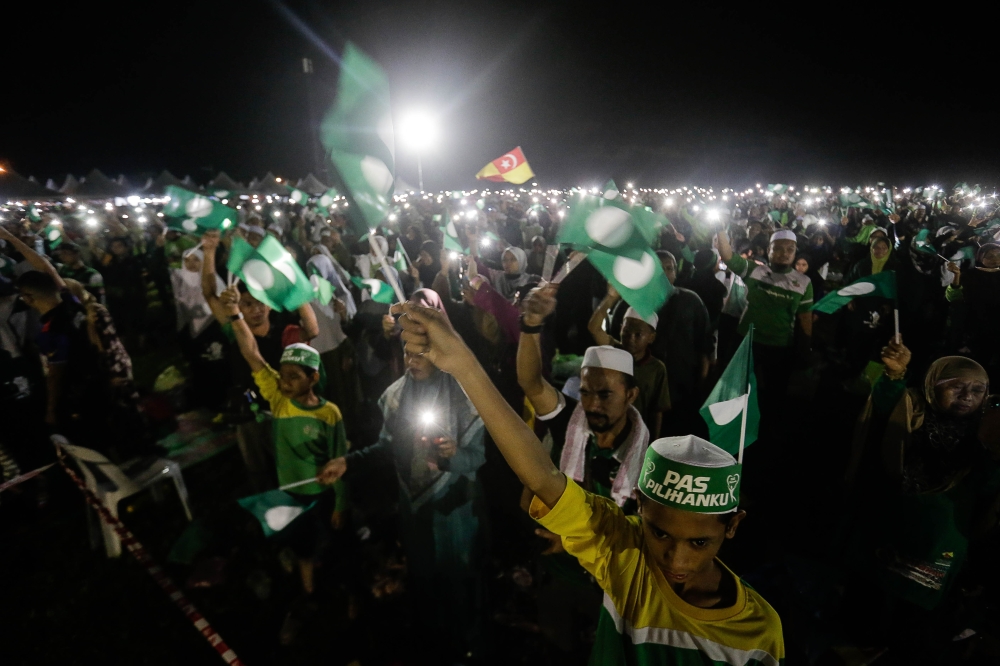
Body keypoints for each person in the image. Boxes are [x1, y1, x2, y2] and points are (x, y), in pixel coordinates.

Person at [389, 301, 784, 666]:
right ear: (641, 509)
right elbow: (542, 475)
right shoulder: (623, 552)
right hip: (562, 577)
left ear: (731, 526)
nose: (675, 561)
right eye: (659, 534)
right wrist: (464, 364)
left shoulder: (758, 632)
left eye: (699, 542)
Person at [321, 332, 487, 662]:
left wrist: (453, 455)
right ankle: (435, 644)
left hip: (456, 513)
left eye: (421, 353)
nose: (412, 362)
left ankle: (468, 647)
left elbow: (478, 457)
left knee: (460, 585)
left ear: (439, 352)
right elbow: (386, 447)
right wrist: (347, 462)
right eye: (407, 353)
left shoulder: (464, 395)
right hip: (416, 510)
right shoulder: (395, 396)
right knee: (425, 581)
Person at [843, 338, 1000, 659]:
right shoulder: (912, 409)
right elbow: (885, 408)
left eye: (977, 390)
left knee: (914, 618)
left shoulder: (987, 431)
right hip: (890, 524)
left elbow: (988, 491)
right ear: (932, 385)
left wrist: (992, 455)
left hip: (939, 543)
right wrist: (894, 375)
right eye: (955, 386)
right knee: (868, 602)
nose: (967, 396)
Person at [221, 284, 348, 639]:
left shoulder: (330, 414)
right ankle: (309, 594)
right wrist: (234, 315)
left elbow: (341, 459)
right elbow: (252, 356)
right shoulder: (278, 399)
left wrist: (342, 501)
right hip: (293, 495)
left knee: (329, 540)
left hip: (323, 496)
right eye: (283, 375)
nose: (286, 382)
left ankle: (327, 583)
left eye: (294, 376)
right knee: (304, 544)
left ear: (314, 378)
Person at [201, 230, 319, 491]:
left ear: (268, 305)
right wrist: (209, 252)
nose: (254, 309)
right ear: (239, 308)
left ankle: (297, 498)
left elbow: (311, 330)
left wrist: (294, 289)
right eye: (247, 304)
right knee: (257, 467)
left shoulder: (283, 332)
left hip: (285, 410)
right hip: (249, 411)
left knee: (290, 462)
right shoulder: (236, 331)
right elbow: (210, 294)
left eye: (259, 303)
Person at [717, 228, 813, 407]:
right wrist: (720, 227)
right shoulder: (754, 271)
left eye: (790, 249)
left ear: (795, 252)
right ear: (768, 250)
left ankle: (766, 428)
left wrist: (804, 352)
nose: (784, 253)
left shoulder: (804, 283)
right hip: (746, 340)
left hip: (780, 346)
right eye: (778, 248)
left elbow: (805, 319)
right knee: (733, 390)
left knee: (773, 395)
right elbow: (727, 256)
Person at [588, 292, 670, 439]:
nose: (630, 339)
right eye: (626, 332)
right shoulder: (614, 351)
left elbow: (657, 411)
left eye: (638, 335)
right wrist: (610, 298)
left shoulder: (657, 369)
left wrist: (653, 442)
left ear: (651, 337)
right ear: (620, 329)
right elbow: (594, 328)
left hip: (636, 435)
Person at [649, 251, 713, 435]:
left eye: (669, 268)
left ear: (675, 273)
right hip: (646, 387)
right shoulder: (633, 303)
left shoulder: (691, 301)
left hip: (683, 386)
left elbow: (705, 346)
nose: (664, 274)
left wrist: (701, 383)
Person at [171, 247, 230, 411]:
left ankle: (222, 400)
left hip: (213, 331)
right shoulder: (181, 283)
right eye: (187, 260)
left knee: (216, 365)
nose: (191, 264)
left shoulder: (215, 282)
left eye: (196, 259)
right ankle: (205, 399)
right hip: (191, 334)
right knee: (199, 366)